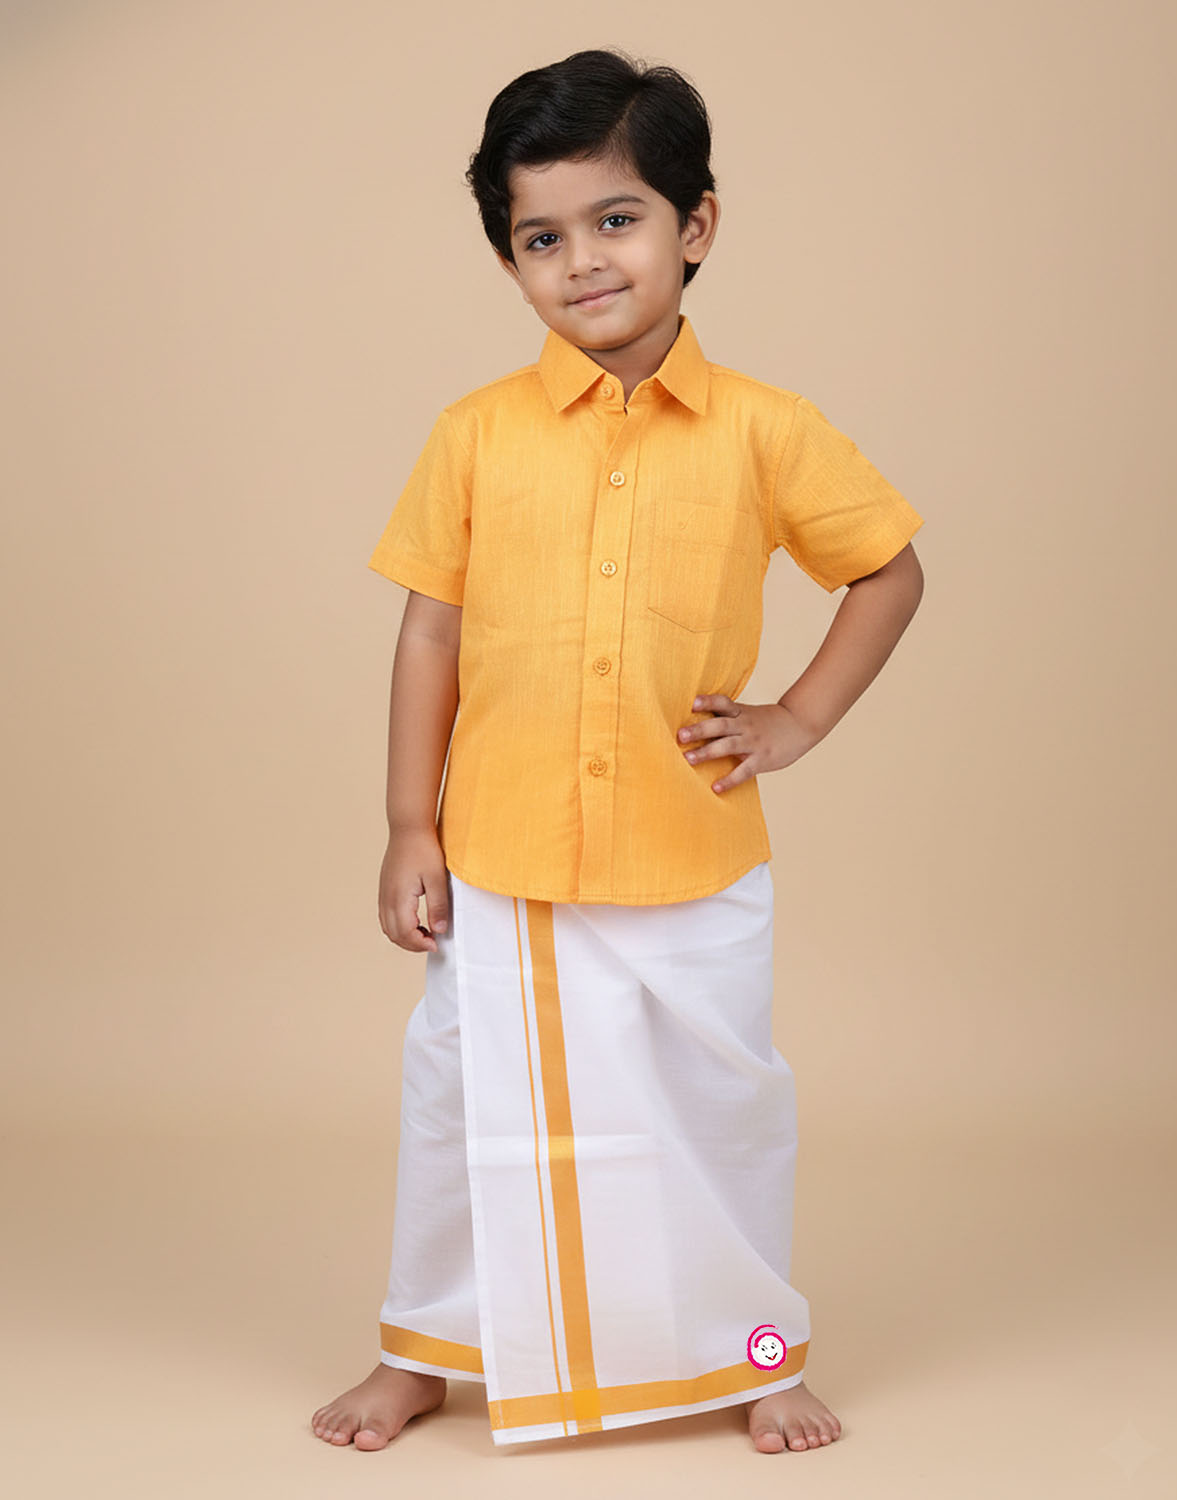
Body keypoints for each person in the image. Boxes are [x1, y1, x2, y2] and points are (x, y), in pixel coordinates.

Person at [312, 47, 924, 1456]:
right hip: (505, 859)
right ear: (508, 259)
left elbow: (886, 572)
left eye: (616, 218)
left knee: (721, 1111)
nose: (582, 260)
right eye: (541, 237)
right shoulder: (474, 435)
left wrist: (796, 719)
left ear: (693, 226)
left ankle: (758, 1356)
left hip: (691, 848)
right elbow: (429, 632)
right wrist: (409, 825)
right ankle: (425, 1348)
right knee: (465, 1110)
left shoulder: (767, 429)